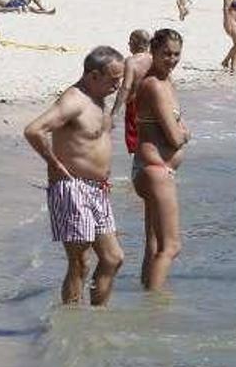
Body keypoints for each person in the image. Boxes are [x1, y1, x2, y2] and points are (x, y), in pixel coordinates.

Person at [23, 47, 126, 306]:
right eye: (113, 79)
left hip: (97, 188)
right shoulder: (74, 100)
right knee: (80, 262)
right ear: (93, 76)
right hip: (73, 187)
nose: (118, 85)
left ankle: (96, 320)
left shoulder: (99, 97)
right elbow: (34, 130)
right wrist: (53, 162)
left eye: (120, 78)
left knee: (113, 257)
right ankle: (72, 324)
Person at [133, 29, 190, 291]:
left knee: (155, 244)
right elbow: (175, 137)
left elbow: (177, 127)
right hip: (154, 169)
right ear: (153, 52)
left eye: (176, 54)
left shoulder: (167, 82)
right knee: (172, 246)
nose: (171, 59)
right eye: (166, 53)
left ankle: (146, 295)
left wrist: (182, 131)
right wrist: (184, 134)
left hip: (155, 168)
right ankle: (155, 307)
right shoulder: (154, 85)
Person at [111, 29, 153, 155]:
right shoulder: (154, 59)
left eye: (130, 42)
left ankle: (139, 170)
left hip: (135, 105)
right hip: (153, 103)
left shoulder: (131, 61)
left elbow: (126, 87)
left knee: (136, 143)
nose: (128, 45)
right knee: (151, 139)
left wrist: (114, 113)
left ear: (136, 43)